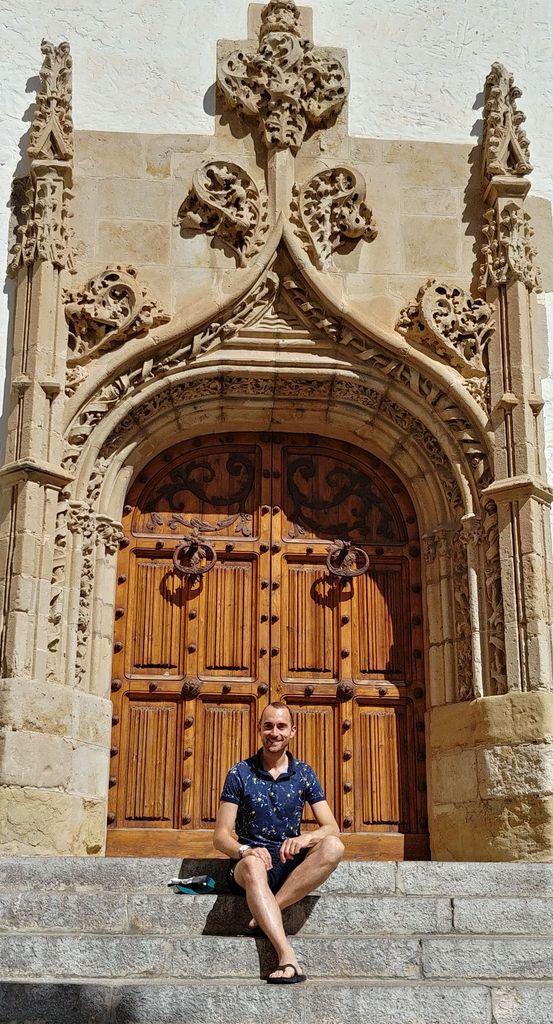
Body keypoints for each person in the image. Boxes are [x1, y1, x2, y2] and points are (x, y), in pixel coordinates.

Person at [214, 701, 344, 984]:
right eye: (268, 726)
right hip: (249, 865)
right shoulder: (240, 773)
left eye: (281, 726)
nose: (274, 732)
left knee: (334, 846)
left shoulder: (304, 773)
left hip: (287, 862)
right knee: (252, 865)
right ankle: (287, 956)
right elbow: (221, 836)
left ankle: (265, 911)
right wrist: (246, 850)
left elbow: (331, 827)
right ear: (260, 729)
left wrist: (306, 838)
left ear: (292, 731)